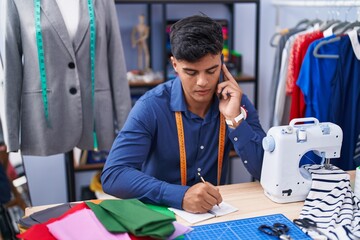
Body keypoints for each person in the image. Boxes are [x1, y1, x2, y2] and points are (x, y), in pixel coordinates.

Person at [101, 14, 266, 214]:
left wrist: (235, 121)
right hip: (160, 215)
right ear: (175, 65)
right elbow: (113, 175)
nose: (202, 82)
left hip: (213, 215)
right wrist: (179, 196)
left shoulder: (236, 103)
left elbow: (265, 171)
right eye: (191, 72)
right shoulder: (151, 107)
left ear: (221, 61)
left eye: (212, 70)